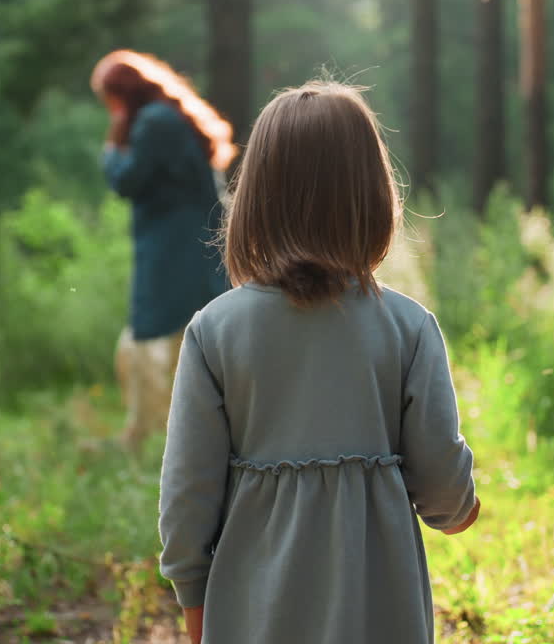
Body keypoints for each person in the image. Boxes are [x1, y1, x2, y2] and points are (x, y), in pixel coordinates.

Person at [158, 81, 480, 644]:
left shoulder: (215, 330)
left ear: (256, 196)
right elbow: (441, 485)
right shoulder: (408, 329)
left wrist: (194, 601)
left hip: (253, 614)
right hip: (380, 613)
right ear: (373, 196)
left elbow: (187, 492)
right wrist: (460, 507)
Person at [90, 50, 235, 451]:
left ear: (121, 95)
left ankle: (149, 435)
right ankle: (177, 434)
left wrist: (111, 149)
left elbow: (126, 180)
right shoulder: (174, 116)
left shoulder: (153, 123)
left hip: (174, 250)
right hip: (194, 244)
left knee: (154, 339)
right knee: (185, 337)